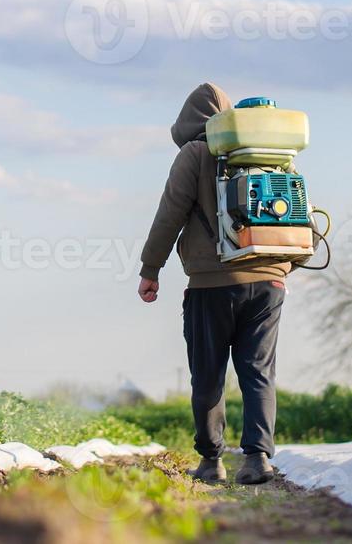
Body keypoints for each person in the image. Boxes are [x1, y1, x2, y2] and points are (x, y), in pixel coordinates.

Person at [136, 83, 290, 486]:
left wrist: (151, 268)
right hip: (270, 278)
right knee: (258, 371)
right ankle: (258, 459)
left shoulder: (195, 153)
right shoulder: (267, 151)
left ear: (187, 122)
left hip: (211, 284)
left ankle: (211, 460)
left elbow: (170, 213)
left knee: (208, 373)